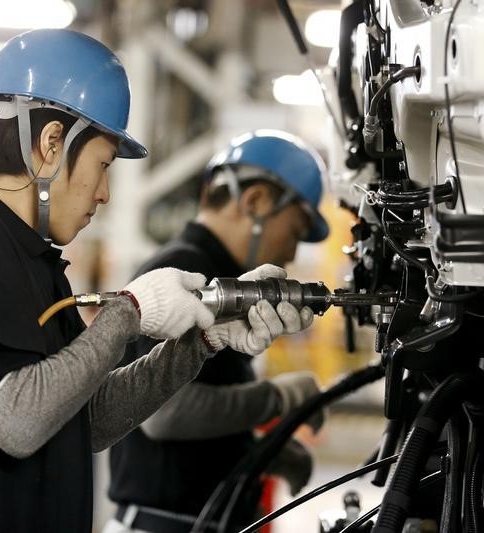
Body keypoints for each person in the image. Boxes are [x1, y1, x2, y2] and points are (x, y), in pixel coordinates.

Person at [0, 30, 310, 533]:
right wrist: (129, 312)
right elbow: (19, 421)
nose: (103, 193)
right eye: (102, 166)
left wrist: (198, 343)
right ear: (51, 144)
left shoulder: (33, 258)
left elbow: (87, 419)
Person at [106, 130, 330, 533]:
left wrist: (258, 452)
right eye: (294, 231)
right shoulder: (185, 272)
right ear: (256, 201)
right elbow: (165, 416)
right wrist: (279, 397)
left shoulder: (224, 280)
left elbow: (201, 418)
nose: (292, 253)